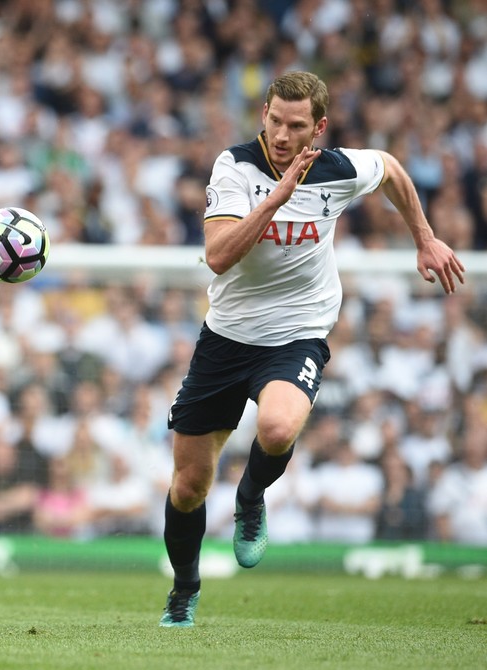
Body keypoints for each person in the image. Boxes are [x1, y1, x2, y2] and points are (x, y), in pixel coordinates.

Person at [160, 71, 466, 628]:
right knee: (187, 487)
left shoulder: (338, 169)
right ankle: (184, 588)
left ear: (317, 128)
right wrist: (278, 198)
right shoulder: (234, 168)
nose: (281, 133)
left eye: (295, 125)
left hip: (298, 330)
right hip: (226, 338)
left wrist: (424, 236)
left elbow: (392, 168)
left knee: (277, 428)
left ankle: (250, 499)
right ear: (264, 114)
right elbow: (219, 256)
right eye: (274, 120)